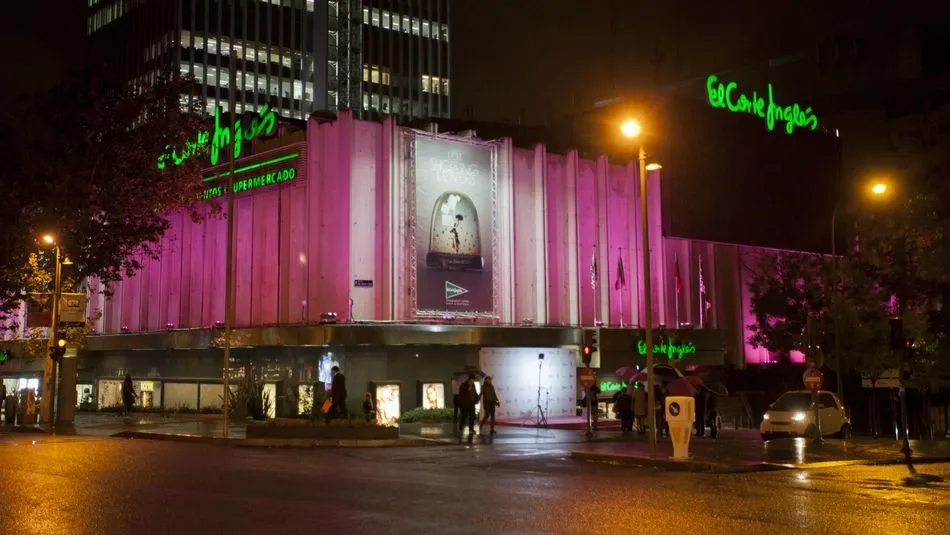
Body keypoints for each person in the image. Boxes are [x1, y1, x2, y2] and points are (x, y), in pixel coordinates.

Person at [457, 374, 479, 442]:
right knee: (464, 416)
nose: (473, 381)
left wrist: (477, 398)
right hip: (465, 403)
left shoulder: (473, 385)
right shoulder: (463, 385)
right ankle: (461, 427)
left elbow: (475, 393)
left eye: (474, 380)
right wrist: (467, 390)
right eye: (472, 379)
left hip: (471, 403)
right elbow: (461, 394)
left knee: (472, 416)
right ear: (469, 379)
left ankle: (471, 429)